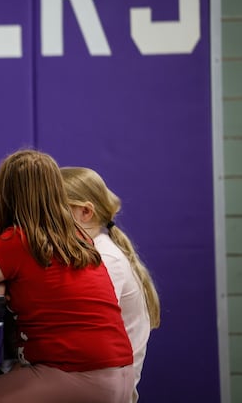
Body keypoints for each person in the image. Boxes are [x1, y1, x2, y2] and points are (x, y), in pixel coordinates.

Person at [0, 149, 133, 403]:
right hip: (120, 376)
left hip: (76, 376)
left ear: (6, 195)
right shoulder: (78, 237)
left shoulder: (18, 241)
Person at [61, 166, 161, 403]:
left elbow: (84, 332)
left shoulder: (105, 259)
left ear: (85, 212)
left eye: (53, 212)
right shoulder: (95, 252)